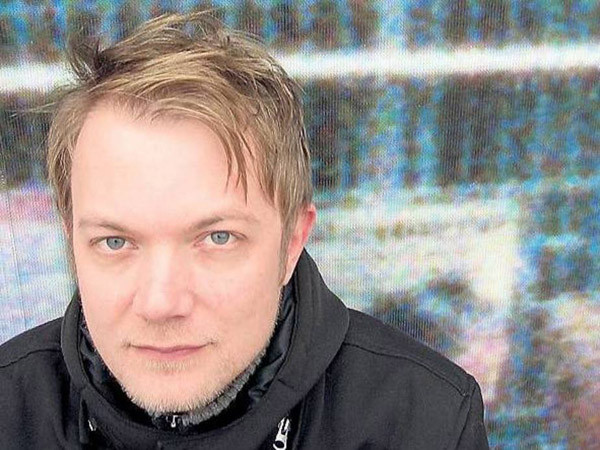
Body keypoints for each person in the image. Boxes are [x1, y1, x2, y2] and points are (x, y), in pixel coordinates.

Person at [0, 12, 489, 449]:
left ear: (292, 242)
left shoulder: (422, 422)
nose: (161, 303)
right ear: (72, 243)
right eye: (115, 242)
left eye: (218, 238)